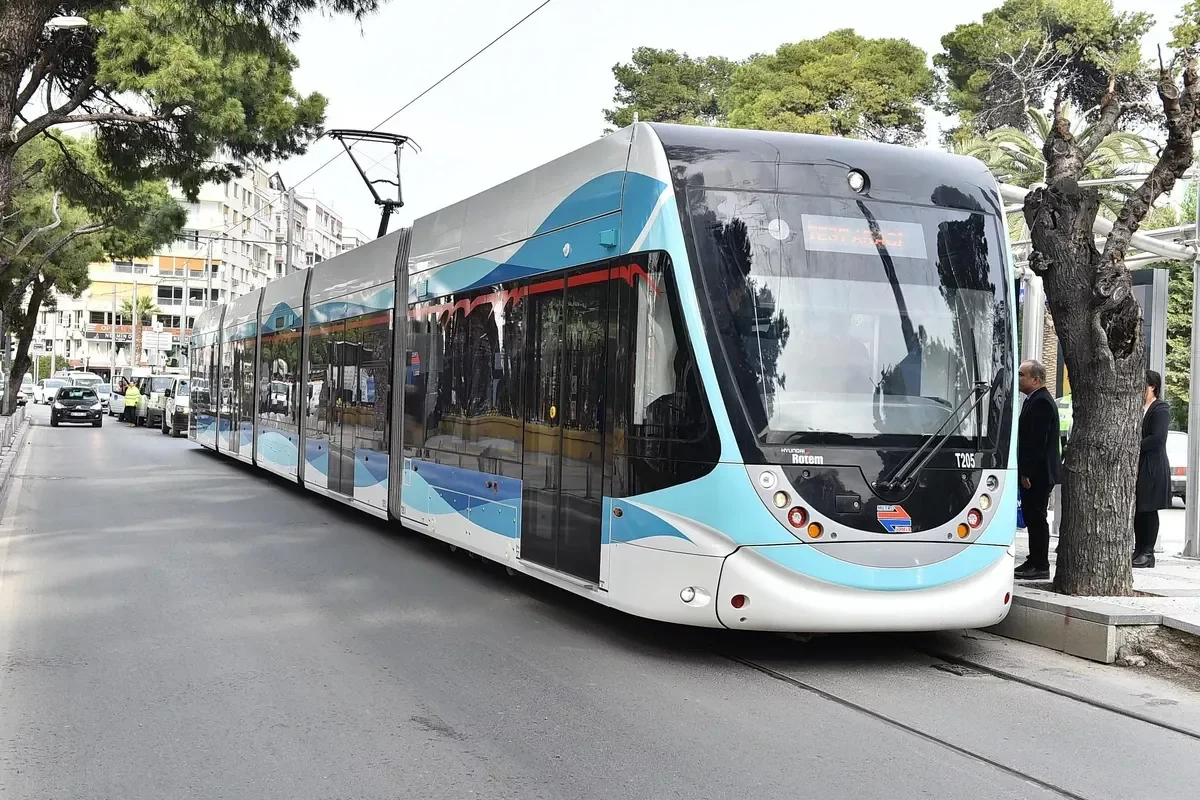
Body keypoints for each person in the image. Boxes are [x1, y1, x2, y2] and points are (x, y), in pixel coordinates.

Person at [1016, 360, 1061, 580]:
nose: (1018, 378)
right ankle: (1034, 559)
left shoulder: (1042, 402)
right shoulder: (1032, 400)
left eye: (1022, 374)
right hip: (1034, 471)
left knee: (1037, 516)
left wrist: (1027, 472)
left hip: (1038, 473)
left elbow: (1037, 442)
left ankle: (1041, 564)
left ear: (1035, 379)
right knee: (1031, 516)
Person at [1135, 370, 1171, 568]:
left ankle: (1148, 552)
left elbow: (1158, 437)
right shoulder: (1138, 407)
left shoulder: (1160, 408)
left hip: (1153, 465)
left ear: (1152, 387)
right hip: (1140, 464)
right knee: (1138, 509)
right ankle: (1138, 548)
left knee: (1148, 508)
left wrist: (1134, 447)